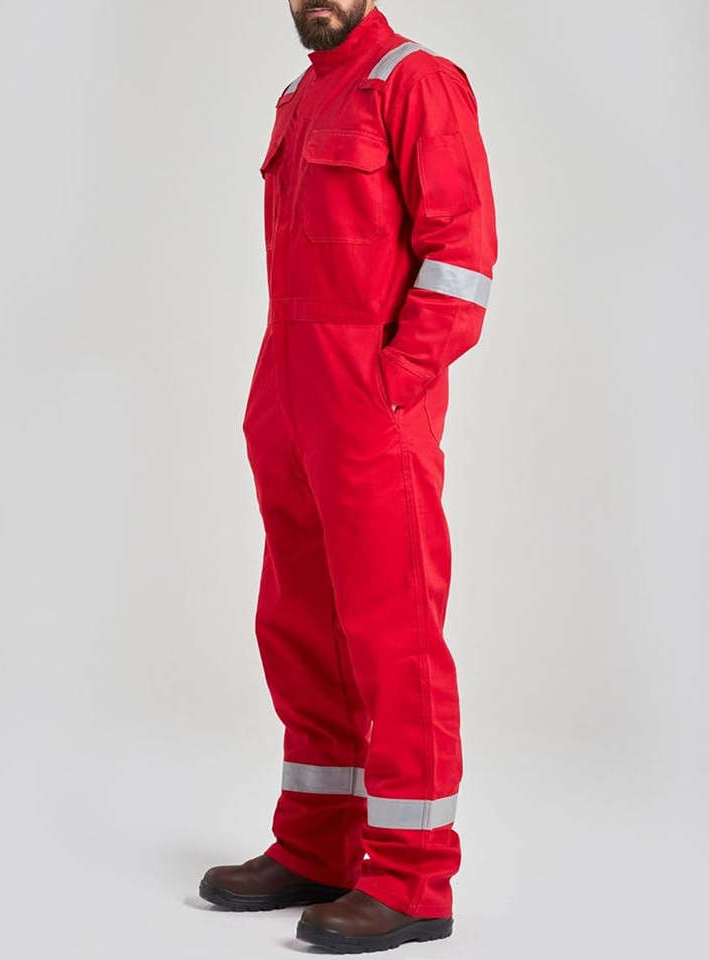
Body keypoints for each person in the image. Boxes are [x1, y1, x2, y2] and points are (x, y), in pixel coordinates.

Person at [199, 1, 497, 951]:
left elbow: (462, 257)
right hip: (291, 401)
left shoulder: (415, 82)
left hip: (370, 411)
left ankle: (413, 880)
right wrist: (283, 396)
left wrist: (392, 384)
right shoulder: (301, 95)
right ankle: (318, 845)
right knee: (300, 629)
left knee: (393, 637)